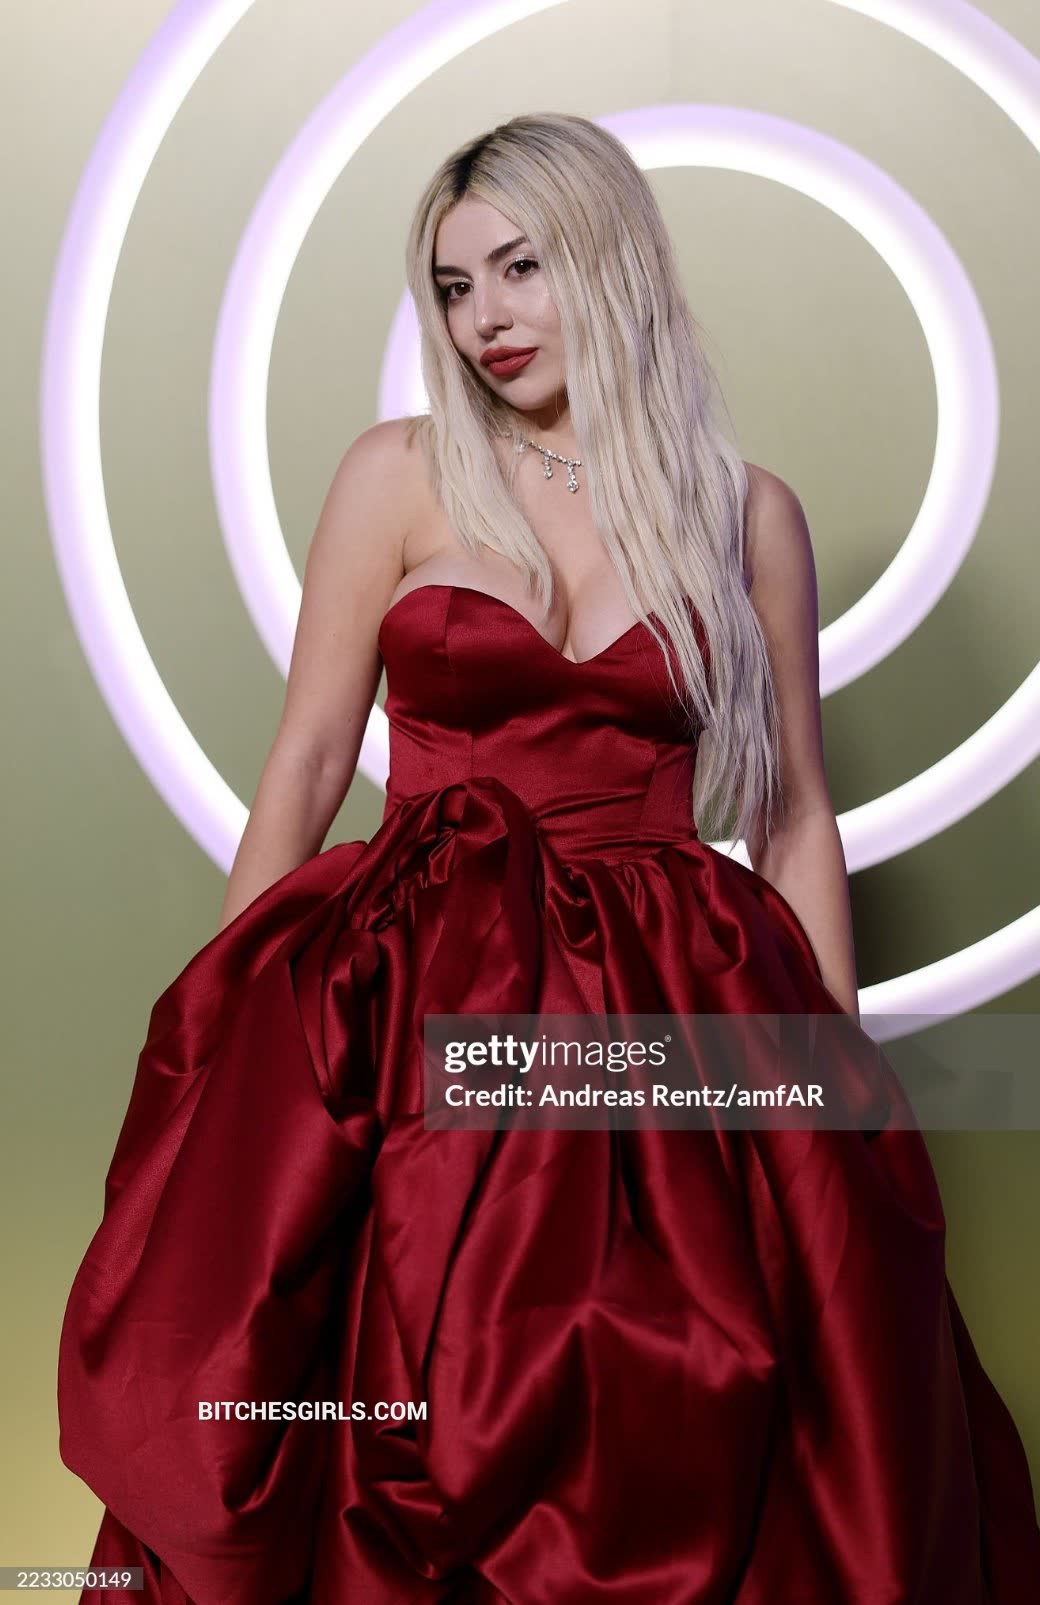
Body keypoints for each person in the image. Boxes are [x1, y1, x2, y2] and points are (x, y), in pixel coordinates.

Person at [58, 112, 1039, 1603]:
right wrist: (230, 1019)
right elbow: (308, 763)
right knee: (393, 1377)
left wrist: (838, 1088)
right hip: (417, 981)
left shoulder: (744, 513)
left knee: (671, 1395)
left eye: (522, 268)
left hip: (672, 999)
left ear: (610, 260)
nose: (487, 319)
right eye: (455, 288)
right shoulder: (396, 475)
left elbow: (791, 815)